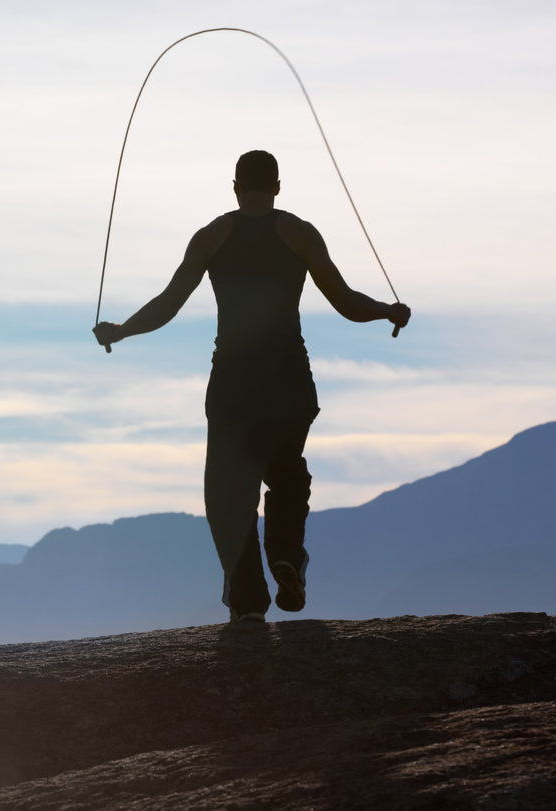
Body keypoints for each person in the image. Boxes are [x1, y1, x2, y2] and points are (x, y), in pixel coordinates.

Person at [92, 150, 410, 623]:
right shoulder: (300, 234)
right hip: (289, 380)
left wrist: (120, 330)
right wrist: (388, 309)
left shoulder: (211, 237)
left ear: (235, 186)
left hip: (233, 384)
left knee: (228, 493)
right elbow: (344, 302)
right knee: (284, 471)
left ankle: (247, 603)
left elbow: (168, 305)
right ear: (277, 186)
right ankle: (285, 556)